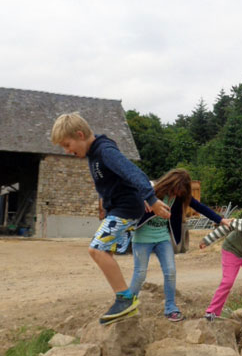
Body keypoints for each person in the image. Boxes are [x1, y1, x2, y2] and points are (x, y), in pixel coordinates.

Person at [50, 112, 171, 324]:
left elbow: (132, 171)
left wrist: (150, 198)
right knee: (104, 252)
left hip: (126, 209)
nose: (68, 151)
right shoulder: (94, 154)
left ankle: (125, 299)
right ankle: (125, 304)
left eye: (67, 145)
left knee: (96, 249)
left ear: (80, 135)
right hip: (121, 209)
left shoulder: (105, 151)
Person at [129, 169, 232, 322]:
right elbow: (129, 195)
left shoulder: (180, 196)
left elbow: (200, 207)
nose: (177, 194)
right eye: (176, 190)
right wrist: (141, 201)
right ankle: (126, 307)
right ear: (170, 184)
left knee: (170, 271)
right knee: (140, 274)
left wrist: (221, 220)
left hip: (162, 237)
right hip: (142, 238)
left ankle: (171, 309)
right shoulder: (151, 192)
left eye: (181, 192)